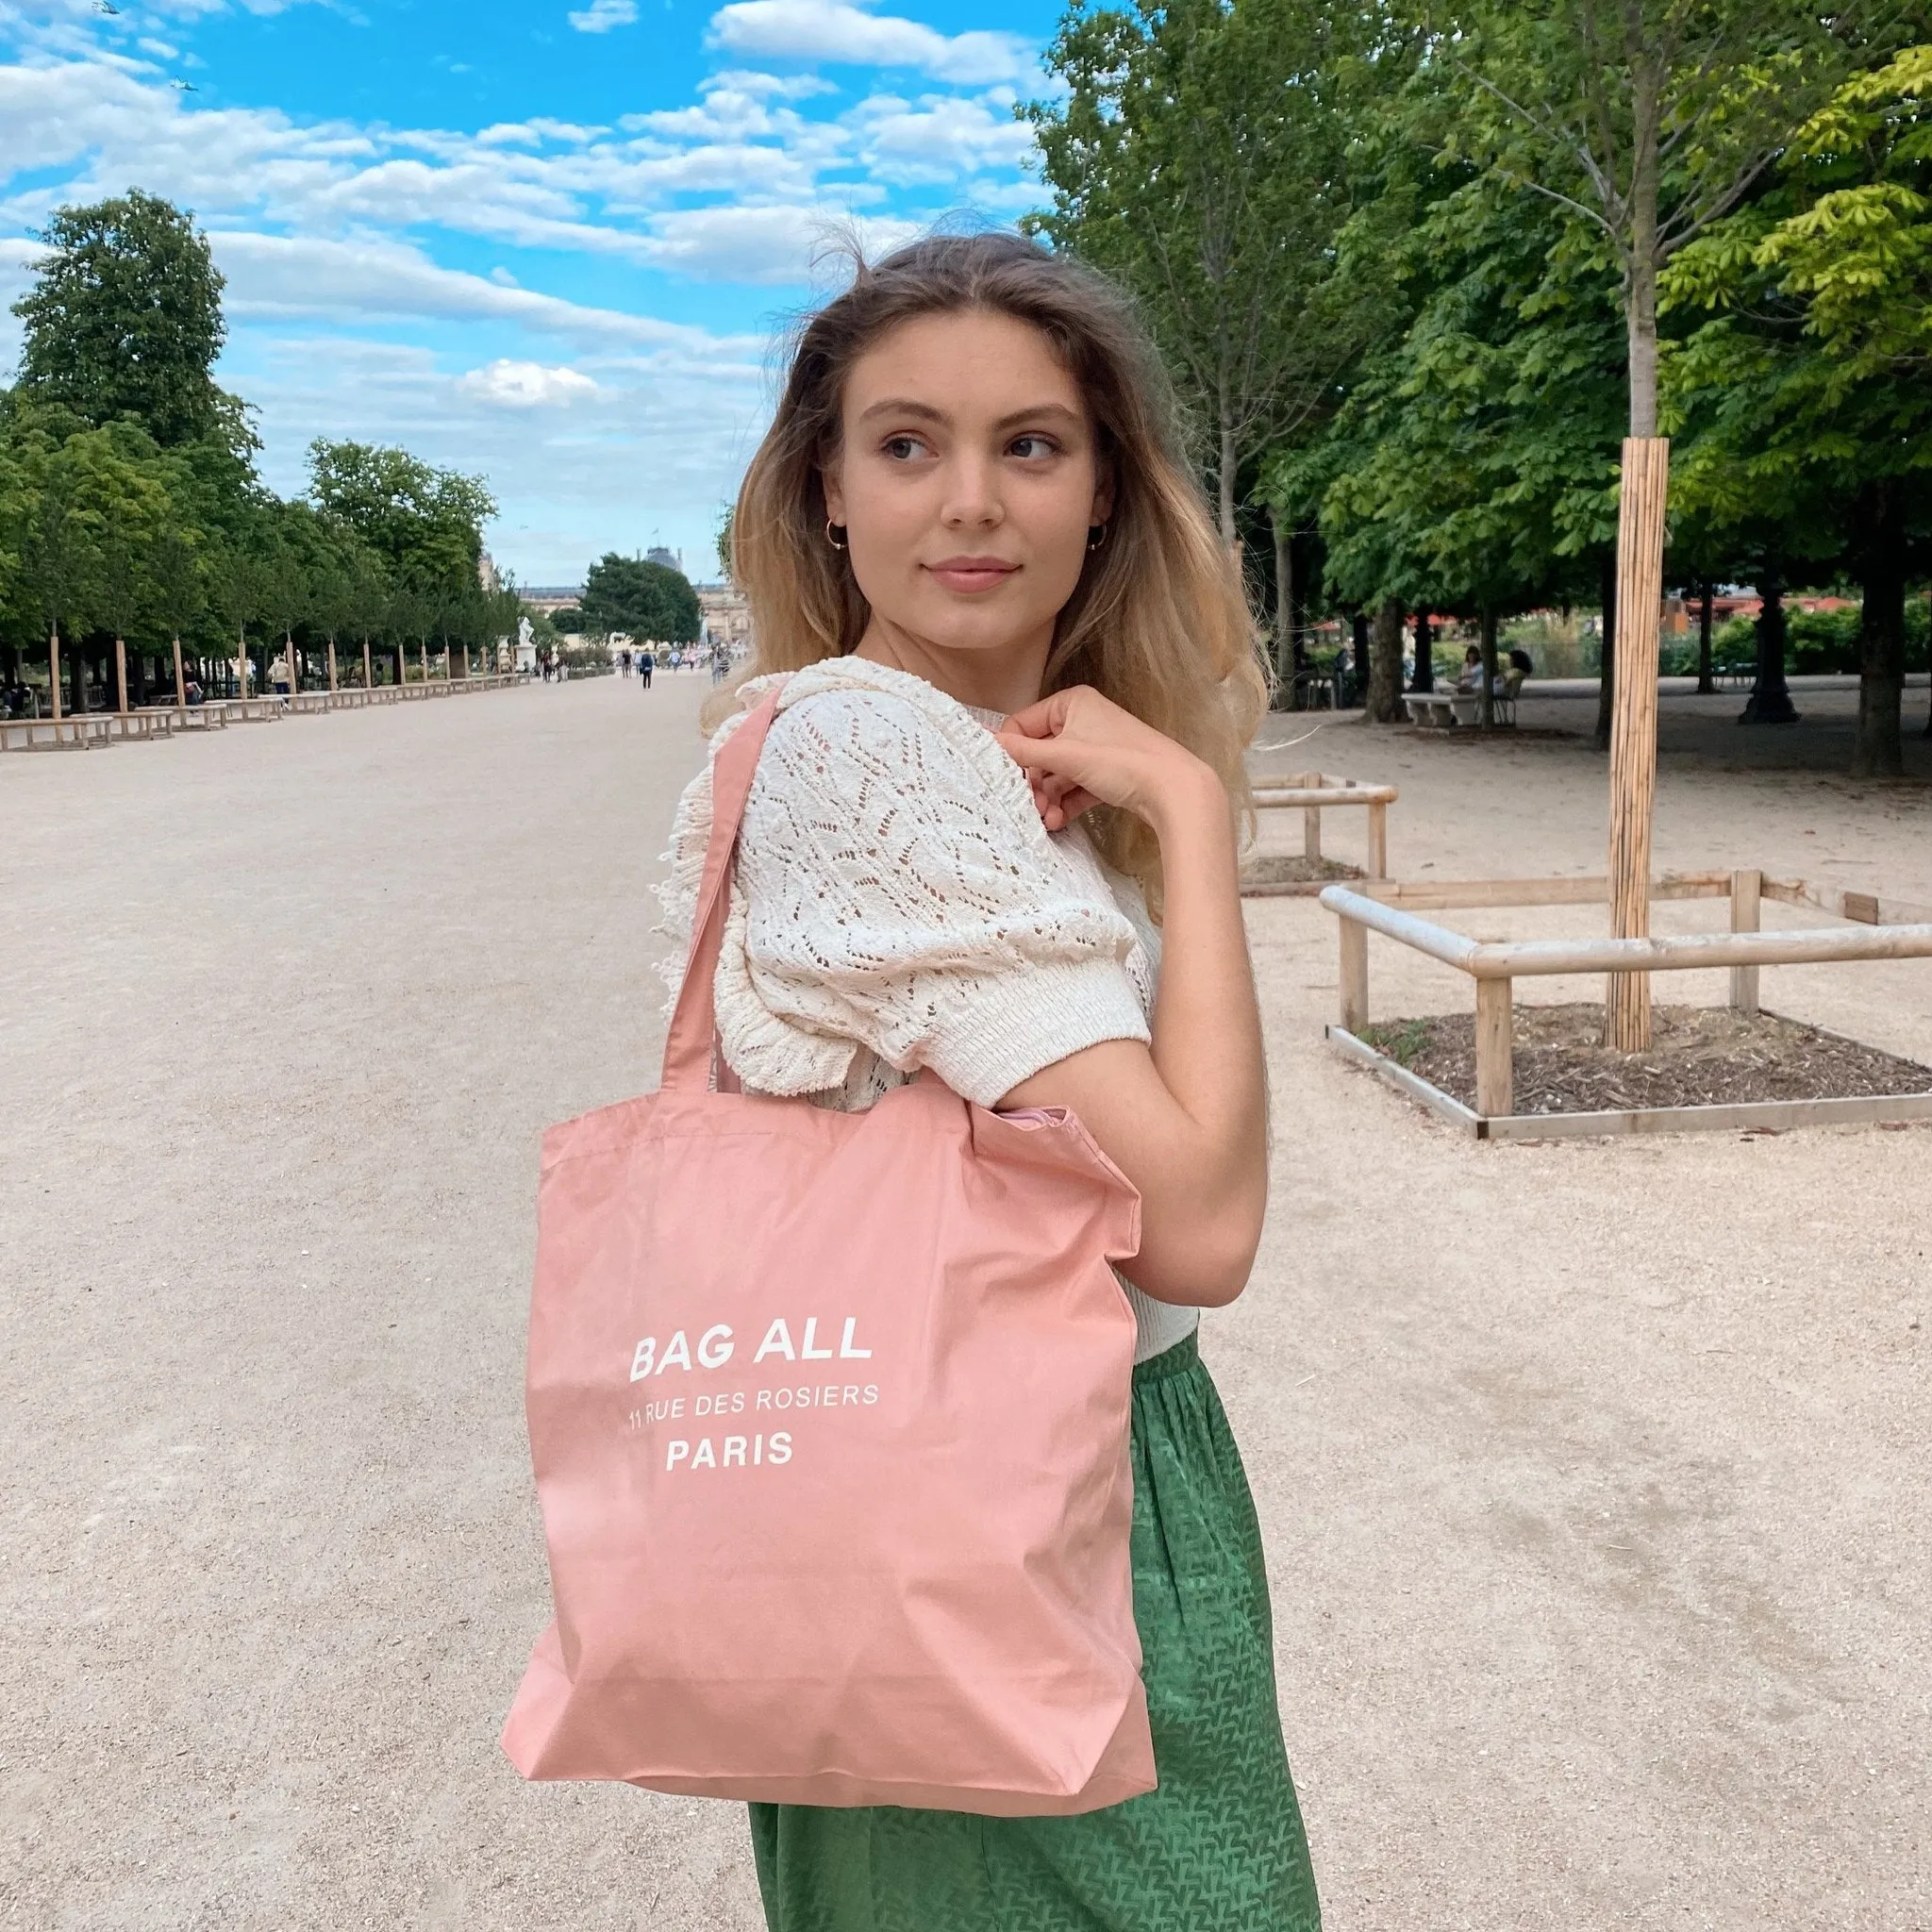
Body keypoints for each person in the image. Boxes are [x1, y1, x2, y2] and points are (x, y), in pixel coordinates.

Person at [657, 231, 1320, 1931]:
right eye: (906, 443)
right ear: (827, 488)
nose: (970, 500)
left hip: (1020, 1475)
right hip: (991, 1498)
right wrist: (1196, 811)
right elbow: (1197, 1227)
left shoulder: (1002, 768)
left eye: (1030, 443)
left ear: (1104, 490)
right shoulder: (873, 752)